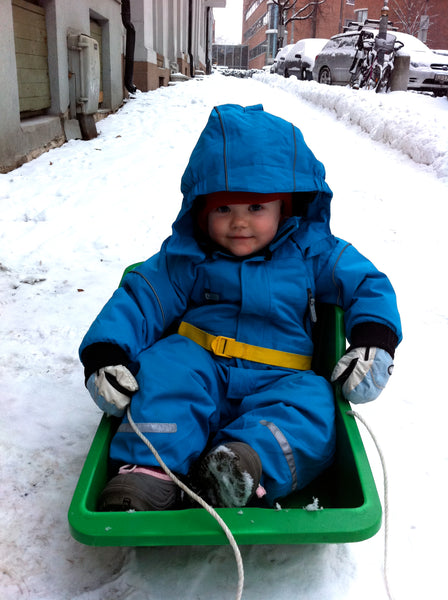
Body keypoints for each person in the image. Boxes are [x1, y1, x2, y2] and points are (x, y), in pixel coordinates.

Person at [79, 104, 401, 512]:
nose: (239, 223)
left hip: (281, 377)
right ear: (201, 210)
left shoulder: (313, 254)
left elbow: (367, 284)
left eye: (255, 208)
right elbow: (142, 297)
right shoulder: (188, 258)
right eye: (223, 209)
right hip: (201, 361)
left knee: (315, 408)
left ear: (285, 206)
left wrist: (374, 339)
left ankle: (243, 468)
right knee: (166, 371)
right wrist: (105, 353)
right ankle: (151, 473)